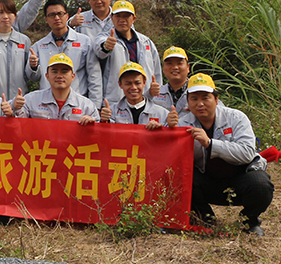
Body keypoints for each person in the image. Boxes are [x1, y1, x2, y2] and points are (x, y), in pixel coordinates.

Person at [178, 73, 273, 235]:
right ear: (188, 102)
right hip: (206, 181)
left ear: (216, 99)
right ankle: (205, 218)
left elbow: (247, 153)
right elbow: (170, 156)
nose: (200, 103)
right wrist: (161, 128)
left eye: (205, 98)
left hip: (240, 178)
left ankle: (250, 221)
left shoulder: (236, 118)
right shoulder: (182, 123)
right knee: (180, 177)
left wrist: (210, 144)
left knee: (261, 184)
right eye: (194, 99)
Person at [29, 0, 103, 107]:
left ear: (67, 16)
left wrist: (95, 106)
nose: (57, 18)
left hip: (78, 105)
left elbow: (94, 76)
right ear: (46, 19)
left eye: (60, 14)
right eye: (52, 15)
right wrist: (33, 67)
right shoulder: (38, 46)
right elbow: (32, 77)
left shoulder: (84, 42)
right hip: (47, 105)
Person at [93, 0, 161, 106]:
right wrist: (106, 47)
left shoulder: (146, 42)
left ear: (133, 19)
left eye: (126, 16)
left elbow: (157, 73)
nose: (122, 20)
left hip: (145, 101)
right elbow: (99, 50)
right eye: (118, 16)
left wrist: (156, 94)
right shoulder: (104, 38)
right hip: (115, 102)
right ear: (112, 18)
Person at [12, 53, 106, 124]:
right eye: (54, 71)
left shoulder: (87, 106)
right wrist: (13, 108)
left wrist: (94, 124)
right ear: (47, 76)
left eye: (64, 72)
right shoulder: (31, 100)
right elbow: (17, 125)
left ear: (73, 76)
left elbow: (98, 134)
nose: (59, 76)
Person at [0, 0, 33, 98]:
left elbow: (31, 76)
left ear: (15, 15)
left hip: (19, 99)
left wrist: (33, 66)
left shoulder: (24, 41)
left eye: (9, 12)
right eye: (1, 12)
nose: (5, 16)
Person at [100, 62, 176, 129]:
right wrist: (104, 122)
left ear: (144, 83)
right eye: (128, 83)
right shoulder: (112, 113)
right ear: (120, 84)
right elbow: (105, 135)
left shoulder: (162, 114)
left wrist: (165, 129)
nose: (133, 87)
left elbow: (171, 137)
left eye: (137, 83)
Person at [154, 46, 190, 114]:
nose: (175, 67)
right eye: (169, 63)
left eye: (179, 63)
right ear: (163, 68)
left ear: (188, 67)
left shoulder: (197, 91)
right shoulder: (155, 95)